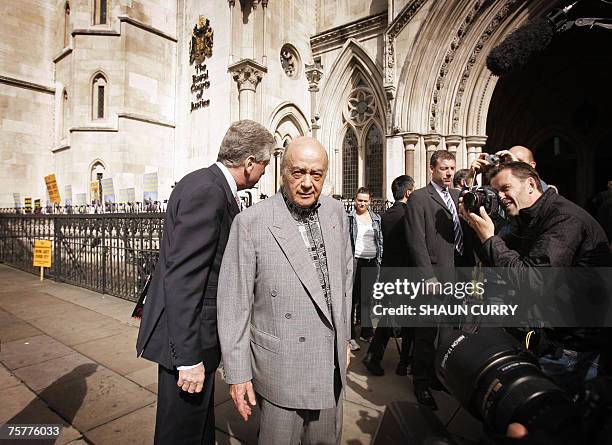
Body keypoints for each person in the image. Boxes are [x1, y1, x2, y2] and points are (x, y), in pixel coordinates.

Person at [135, 120, 274, 445]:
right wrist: (189, 359)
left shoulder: (201, 181)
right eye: (265, 164)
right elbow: (184, 279)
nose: (265, 172)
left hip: (195, 339)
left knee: (196, 431)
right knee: (181, 434)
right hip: (189, 343)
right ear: (250, 162)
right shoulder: (210, 192)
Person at [217, 137, 353, 445]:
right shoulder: (251, 222)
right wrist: (238, 374)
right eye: (298, 172)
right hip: (281, 367)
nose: (307, 183)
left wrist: (344, 337)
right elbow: (234, 304)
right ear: (282, 172)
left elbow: (345, 281)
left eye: (316, 174)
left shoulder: (336, 214)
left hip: (330, 366)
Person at [462, 161, 611, 392]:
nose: (500, 197)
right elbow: (499, 261)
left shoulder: (564, 219)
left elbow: (532, 281)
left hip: (571, 349)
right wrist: (476, 226)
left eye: (505, 188)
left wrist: (490, 239)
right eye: (495, 191)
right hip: (548, 340)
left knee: (547, 419)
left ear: (531, 183)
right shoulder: (528, 218)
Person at [404, 150, 474, 410]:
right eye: (444, 168)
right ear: (431, 168)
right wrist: (427, 276)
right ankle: (420, 383)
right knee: (426, 333)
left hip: (457, 276)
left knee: (448, 331)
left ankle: (437, 377)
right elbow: (415, 241)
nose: (449, 173)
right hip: (433, 276)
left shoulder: (458, 197)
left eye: (452, 168)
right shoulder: (420, 198)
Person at [362, 175, 415, 377]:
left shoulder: (388, 214)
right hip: (406, 274)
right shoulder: (408, 214)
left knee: (389, 317)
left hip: (389, 271)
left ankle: (374, 356)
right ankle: (403, 362)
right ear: (408, 192)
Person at [347, 187, 383, 350]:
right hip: (355, 261)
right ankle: (351, 336)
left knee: (368, 299)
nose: (362, 203)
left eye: (365, 200)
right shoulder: (349, 218)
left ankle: (366, 332)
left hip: (371, 261)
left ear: (370, 201)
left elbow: (379, 240)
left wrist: (379, 260)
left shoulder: (376, 218)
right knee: (353, 299)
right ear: (355, 200)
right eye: (359, 200)